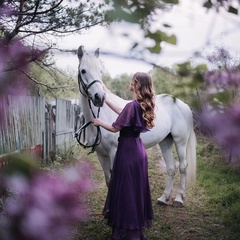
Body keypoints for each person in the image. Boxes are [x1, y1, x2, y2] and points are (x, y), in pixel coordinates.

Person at [92, 72, 156, 240]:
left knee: (126, 191)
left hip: (127, 151)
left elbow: (114, 128)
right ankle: (136, 227)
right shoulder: (141, 105)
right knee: (135, 191)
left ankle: (126, 230)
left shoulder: (133, 105)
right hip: (138, 151)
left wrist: (99, 122)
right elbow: (122, 110)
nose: (130, 82)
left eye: (133, 80)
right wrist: (106, 98)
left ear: (137, 84)